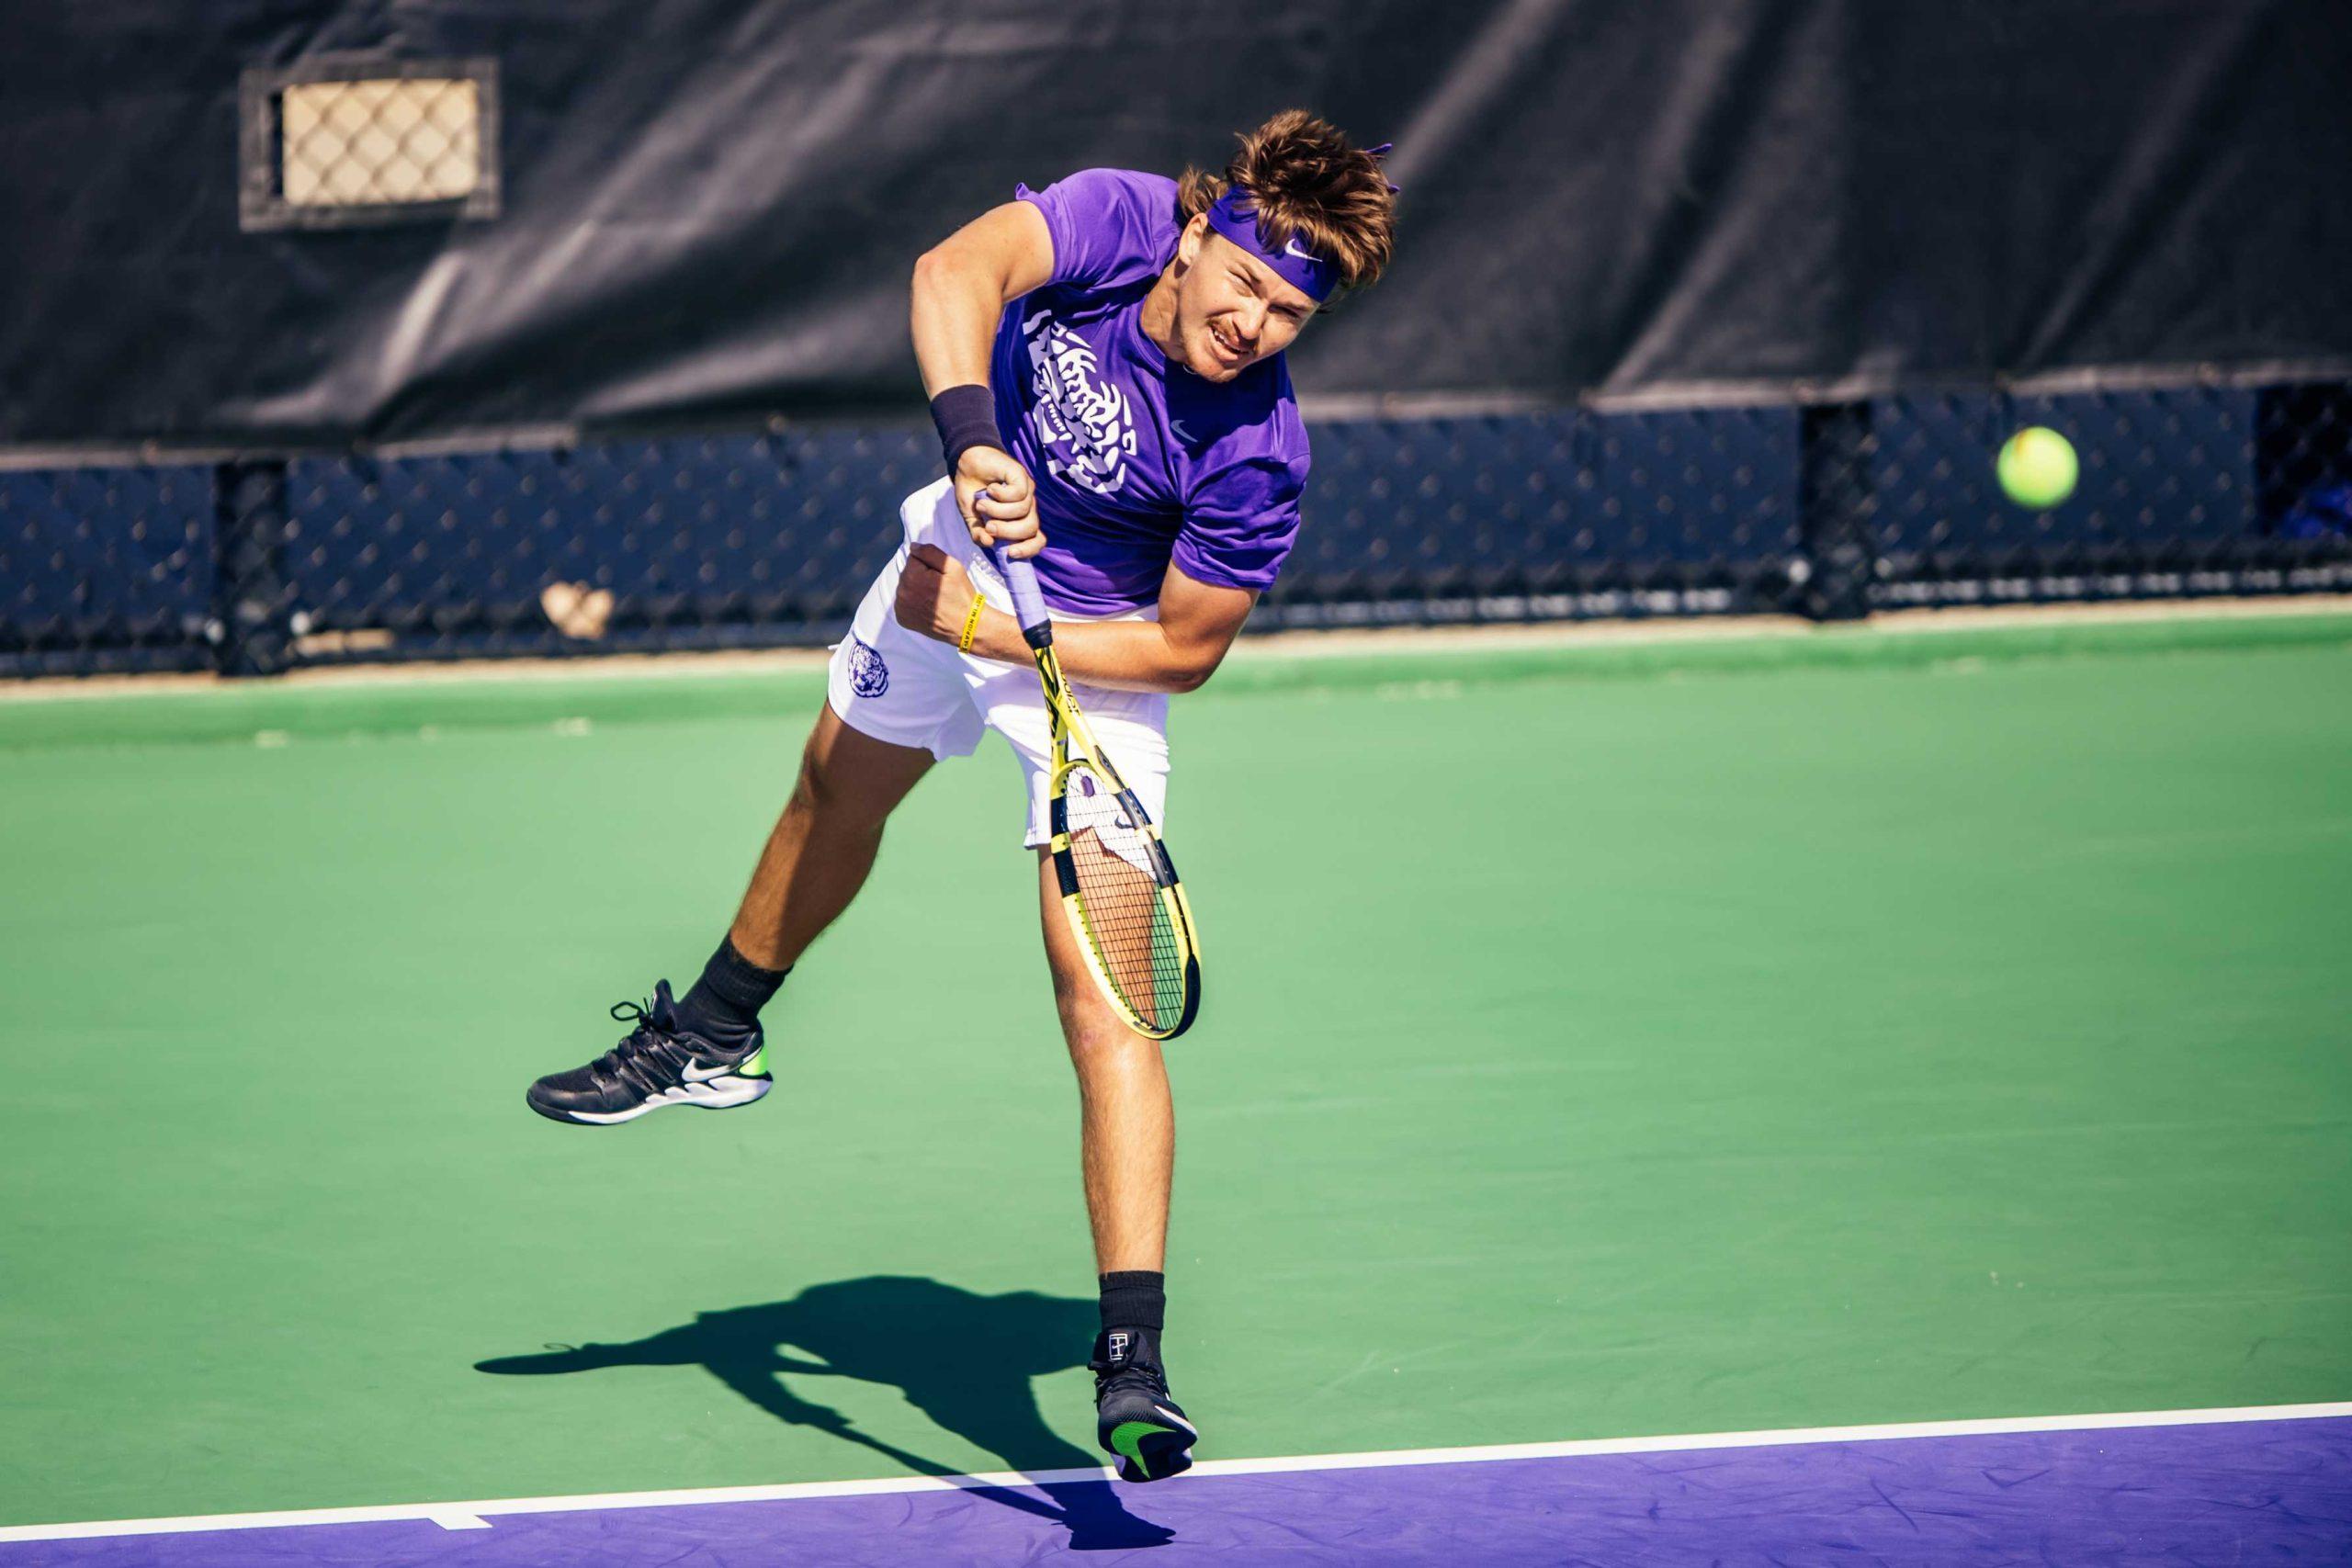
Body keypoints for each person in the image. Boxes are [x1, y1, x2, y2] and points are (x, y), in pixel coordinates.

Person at [525, 109, 1397, 1483]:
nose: (1256, 323)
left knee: (1105, 995)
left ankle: (1133, 1368)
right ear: (1197, 234)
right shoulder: (1113, 221)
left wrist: (992, 637)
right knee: (833, 790)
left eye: (1292, 313)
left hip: (1089, 673)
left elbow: (1184, 647)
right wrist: (976, 445)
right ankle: (709, 1035)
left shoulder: (1261, 450)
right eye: (1247, 284)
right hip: (958, 553)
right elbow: (951, 273)